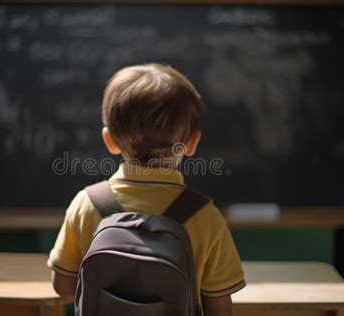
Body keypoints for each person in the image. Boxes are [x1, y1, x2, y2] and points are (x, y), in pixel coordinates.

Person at [48, 63, 245, 315]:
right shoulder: (205, 216)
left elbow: (63, 286)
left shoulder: (86, 203)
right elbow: (219, 309)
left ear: (109, 140)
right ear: (192, 142)